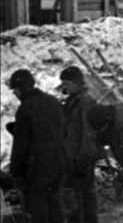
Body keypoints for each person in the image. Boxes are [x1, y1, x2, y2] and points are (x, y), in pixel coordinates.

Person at [8, 69, 68, 223]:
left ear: (20, 89)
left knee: (38, 208)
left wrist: (16, 171)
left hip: (38, 167)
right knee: (55, 204)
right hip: (59, 162)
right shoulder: (53, 101)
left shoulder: (25, 108)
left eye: (15, 90)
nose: (15, 93)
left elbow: (21, 144)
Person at [58, 66, 103, 223]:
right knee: (78, 195)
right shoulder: (74, 101)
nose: (64, 87)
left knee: (84, 195)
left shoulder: (86, 101)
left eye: (67, 83)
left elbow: (89, 132)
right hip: (73, 155)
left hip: (81, 156)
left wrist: (83, 158)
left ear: (76, 83)